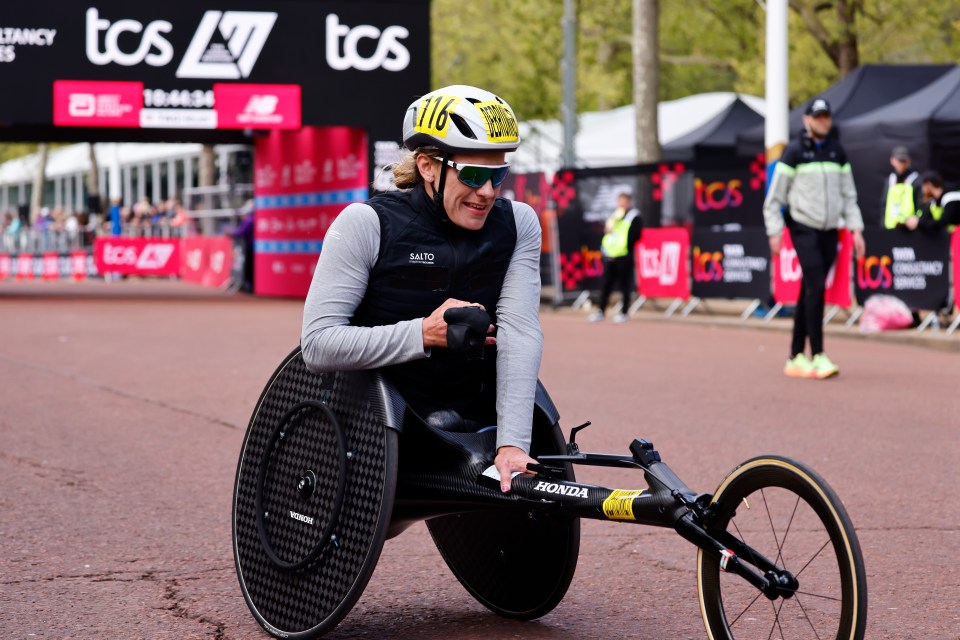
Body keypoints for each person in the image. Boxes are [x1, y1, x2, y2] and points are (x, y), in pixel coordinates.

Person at [301, 85, 540, 493]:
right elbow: (318, 344)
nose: (487, 192)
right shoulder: (365, 223)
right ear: (428, 166)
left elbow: (519, 332)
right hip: (376, 422)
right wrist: (422, 334)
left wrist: (513, 445)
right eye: (473, 174)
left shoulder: (519, 223)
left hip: (472, 416)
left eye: (497, 175)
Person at [763, 97, 866, 379]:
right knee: (817, 284)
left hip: (829, 230)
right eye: (817, 116)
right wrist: (774, 232)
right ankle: (818, 354)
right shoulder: (794, 152)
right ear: (806, 120)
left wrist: (856, 229)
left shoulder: (838, 151)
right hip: (802, 227)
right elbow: (774, 199)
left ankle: (795, 355)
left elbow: (849, 196)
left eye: (826, 116)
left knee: (808, 289)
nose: (822, 120)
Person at [588, 191, 642, 323]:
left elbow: (636, 234)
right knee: (606, 285)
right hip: (610, 255)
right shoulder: (614, 215)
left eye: (623, 201)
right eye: (619, 201)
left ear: (628, 202)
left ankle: (624, 313)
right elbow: (608, 232)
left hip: (624, 256)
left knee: (625, 286)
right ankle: (601, 311)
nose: (620, 204)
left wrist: (626, 246)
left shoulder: (634, 216)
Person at [881, 146, 921, 230]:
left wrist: (917, 219)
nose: (902, 164)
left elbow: (921, 205)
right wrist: (882, 228)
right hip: (890, 229)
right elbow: (884, 205)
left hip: (910, 229)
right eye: (899, 161)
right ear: (892, 160)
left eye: (904, 161)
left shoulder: (915, 179)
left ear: (909, 161)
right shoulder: (890, 180)